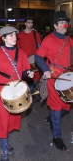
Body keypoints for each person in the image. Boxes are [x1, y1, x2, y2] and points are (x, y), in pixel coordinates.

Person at [0, 26, 34, 161]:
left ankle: (5, 141)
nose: (13, 37)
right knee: (3, 119)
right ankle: (4, 149)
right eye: (10, 35)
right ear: (3, 38)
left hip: (16, 89)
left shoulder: (21, 52)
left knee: (13, 119)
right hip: (1, 90)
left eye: (14, 35)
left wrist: (29, 73)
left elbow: (24, 70)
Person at [35, 10, 73, 151]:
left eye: (66, 22)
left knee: (66, 106)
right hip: (54, 77)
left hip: (68, 77)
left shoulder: (70, 40)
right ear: (55, 26)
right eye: (61, 22)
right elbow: (38, 57)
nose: (64, 24)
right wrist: (45, 69)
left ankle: (52, 118)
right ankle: (56, 137)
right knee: (56, 107)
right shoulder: (49, 39)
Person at [17, 16, 41, 93]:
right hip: (24, 60)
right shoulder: (19, 35)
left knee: (36, 77)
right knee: (25, 77)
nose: (30, 24)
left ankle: (28, 91)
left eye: (31, 22)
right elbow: (18, 48)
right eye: (28, 22)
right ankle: (26, 92)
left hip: (34, 59)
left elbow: (39, 45)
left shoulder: (35, 33)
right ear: (25, 23)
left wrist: (40, 56)